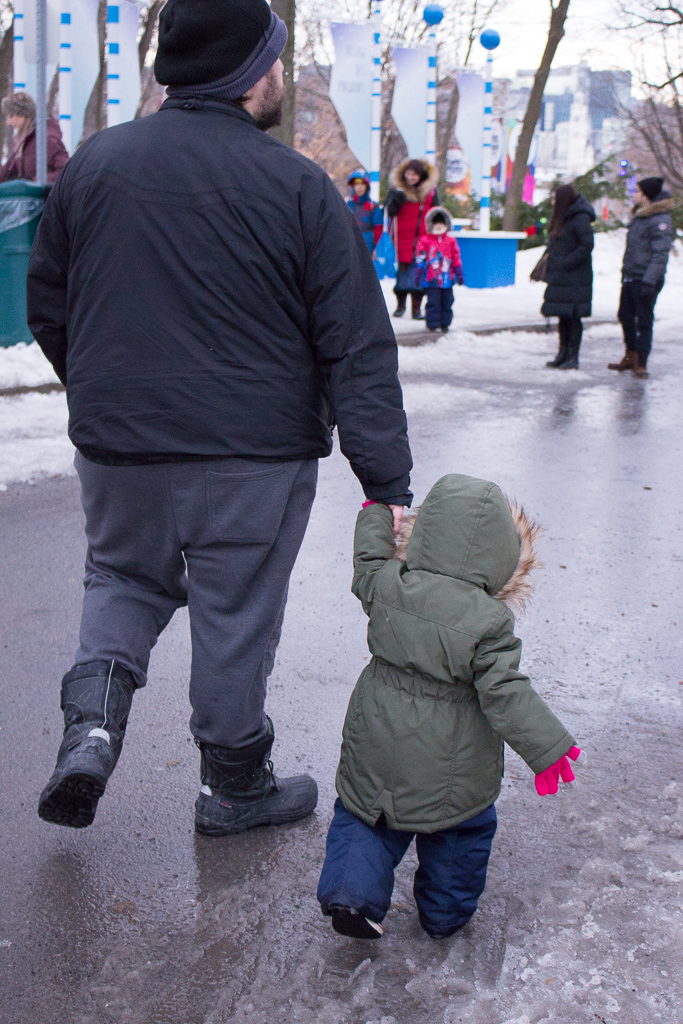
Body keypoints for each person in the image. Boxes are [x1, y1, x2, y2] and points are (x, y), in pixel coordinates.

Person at [27, 0, 412, 838]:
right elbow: (354, 346)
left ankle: (91, 730)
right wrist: (387, 485)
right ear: (248, 74)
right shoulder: (299, 185)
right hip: (254, 455)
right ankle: (234, 787)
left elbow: (49, 303)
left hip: (119, 443)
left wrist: (100, 391)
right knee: (235, 613)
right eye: (273, 60)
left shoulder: (95, 165)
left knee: (123, 580)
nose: (280, 74)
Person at [317, 474, 581, 940]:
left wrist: (378, 512)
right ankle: (445, 915)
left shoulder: (387, 584)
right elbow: (504, 690)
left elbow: (368, 559)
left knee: (365, 815)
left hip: (377, 737)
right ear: (504, 559)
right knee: (460, 830)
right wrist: (548, 748)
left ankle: (351, 894)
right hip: (452, 763)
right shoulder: (489, 621)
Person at [608, 177, 674, 380]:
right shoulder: (640, 216)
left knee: (644, 320)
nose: (634, 194)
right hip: (631, 276)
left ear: (646, 196)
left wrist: (649, 280)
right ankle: (631, 355)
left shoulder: (659, 219)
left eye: (637, 191)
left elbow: (660, 254)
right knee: (625, 316)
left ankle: (641, 362)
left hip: (646, 279)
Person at [541, 184, 595, 370]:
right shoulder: (564, 218)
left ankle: (573, 357)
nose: (554, 202)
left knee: (573, 317)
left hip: (575, 278)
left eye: (556, 198)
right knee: (563, 317)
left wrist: (566, 262)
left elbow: (587, 245)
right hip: (562, 276)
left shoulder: (579, 218)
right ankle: (562, 353)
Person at [385, 158, 439, 320]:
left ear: (421, 175)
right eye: (408, 173)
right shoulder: (397, 190)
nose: (411, 177)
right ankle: (400, 306)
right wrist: (397, 200)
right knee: (402, 275)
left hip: (423, 240)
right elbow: (389, 211)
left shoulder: (430, 192)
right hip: (401, 238)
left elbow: (437, 212)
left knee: (418, 275)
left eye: (414, 174)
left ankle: (416, 309)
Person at [0, 91, 69, 184]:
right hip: (29, 196)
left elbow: (65, 171)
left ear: (21, 114)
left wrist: (35, 183)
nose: (8, 122)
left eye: (10, 116)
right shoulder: (22, 141)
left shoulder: (47, 138)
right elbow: (9, 168)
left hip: (44, 196)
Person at [414, 206, 464, 334]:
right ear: (431, 224)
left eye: (441, 223)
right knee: (433, 302)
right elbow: (420, 258)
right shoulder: (425, 241)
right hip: (431, 279)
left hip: (447, 279)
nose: (438, 226)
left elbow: (456, 258)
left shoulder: (451, 241)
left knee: (447, 301)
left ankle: (445, 323)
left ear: (446, 224)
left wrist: (459, 274)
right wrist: (418, 274)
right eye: (436, 223)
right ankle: (433, 324)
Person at [345, 169, 383, 254]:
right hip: (349, 248)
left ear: (367, 186)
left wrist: (377, 248)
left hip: (368, 250)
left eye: (363, 184)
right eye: (356, 184)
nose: (359, 187)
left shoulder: (372, 206)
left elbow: (378, 229)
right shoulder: (346, 205)